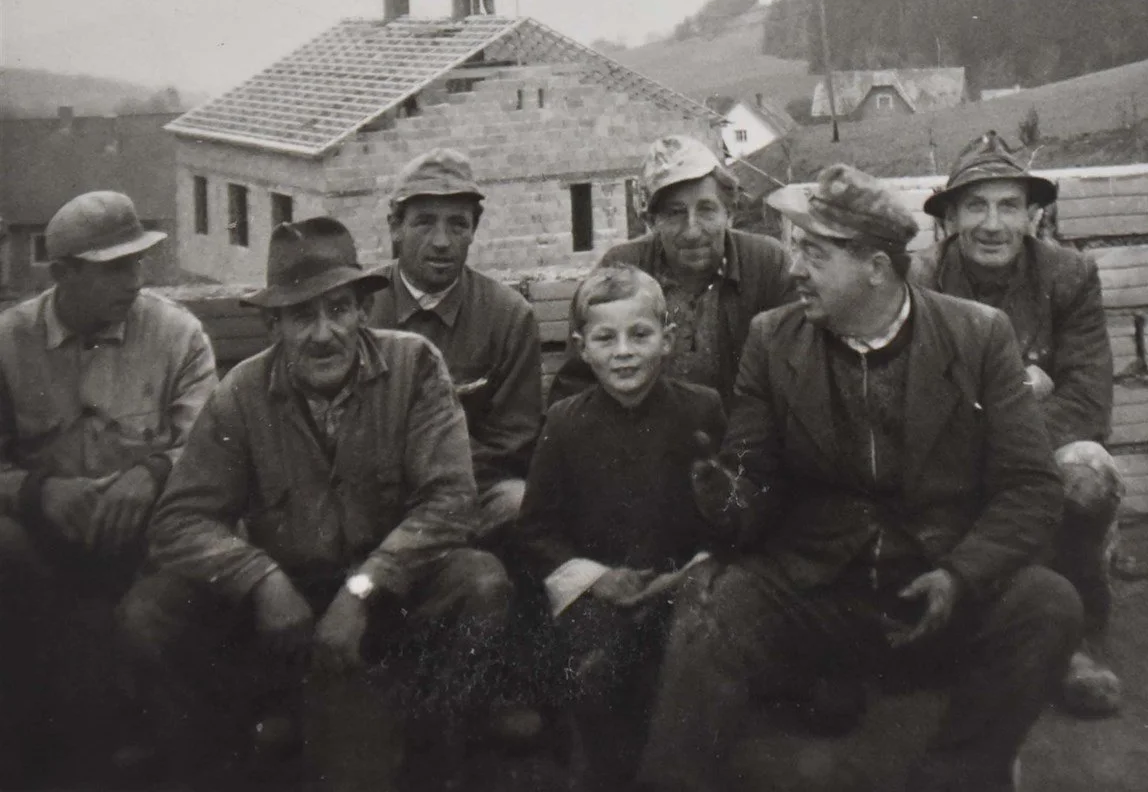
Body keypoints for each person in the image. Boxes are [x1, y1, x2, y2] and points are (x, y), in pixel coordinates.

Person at [637, 165, 1081, 792]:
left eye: (813, 254)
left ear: (876, 267)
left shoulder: (979, 336)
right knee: (712, 602)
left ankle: (953, 776)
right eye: (795, 250)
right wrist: (726, 498)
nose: (794, 270)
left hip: (934, 587)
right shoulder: (774, 339)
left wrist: (962, 573)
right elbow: (753, 478)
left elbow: (1032, 487)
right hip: (817, 591)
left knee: (1048, 602)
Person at [117, 217, 506, 791]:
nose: (324, 333)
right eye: (302, 316)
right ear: (274, 324)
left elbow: (450, 501)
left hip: (393, 599)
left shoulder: (415, 366)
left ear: (363, 312)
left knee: (482, 582)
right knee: (151, 610)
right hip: (287, 609)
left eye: (339, 309)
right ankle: (223, 760)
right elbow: (179, 520)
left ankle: (436, 757)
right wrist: (260, 579)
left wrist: (364, 588)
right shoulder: (241, 394)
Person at [0, 190, 217, 783]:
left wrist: (152, 475)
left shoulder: (178, 335)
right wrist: (36, 492)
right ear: (63, 273)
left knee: (196, 562)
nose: (134, 281)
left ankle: (185, 761)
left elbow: (212, 447)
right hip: (45, 545)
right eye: (115, 267)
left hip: (148, 537)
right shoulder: (7, 343)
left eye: (139, 262)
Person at [909, 130, 1122, 716]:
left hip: (1034, 450)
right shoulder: (921, 282)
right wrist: (1020, 392)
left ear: (1033, 214)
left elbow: (1087, 400)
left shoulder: (1069, 276)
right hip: (952, 464)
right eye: (975, 205)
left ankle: (1081, 638)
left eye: (1008, 205)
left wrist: (1008, 440)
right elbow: (916, 403)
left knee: (1086, 475)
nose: (992, 224)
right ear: (950, 216)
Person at [514, 265, 726, 789]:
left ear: (668, 340)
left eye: (641, 335)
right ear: (583, 348)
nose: (624, 352)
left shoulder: (702, 409)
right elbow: (537, 528)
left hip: (680, 586)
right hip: (599, 596)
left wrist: (686, 574)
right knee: (595, 671)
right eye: (606, 339)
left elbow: (728, 514)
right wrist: (596, 579)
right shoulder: (564, 421)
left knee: (685, 670)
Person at [366, 148, 543, 547]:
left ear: (474, 230)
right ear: (396, 227)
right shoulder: (362, 308)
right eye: (424, 223)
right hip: (373, 498)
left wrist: (441, 487)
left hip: (470, 495)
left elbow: (513, 442)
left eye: (457, 225)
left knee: (519, 504)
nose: (442, 241)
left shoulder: (508, 316)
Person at [549, 134, 795, 406]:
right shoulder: (621, 267)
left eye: (706, 210)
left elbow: (791, 374)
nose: (692, 230)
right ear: (651, 221)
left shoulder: (767, 264)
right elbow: (576, 385)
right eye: (674, 213)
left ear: (730, 212)